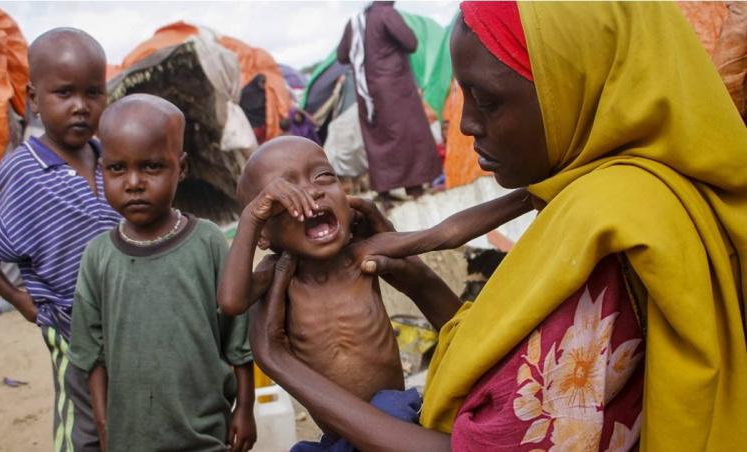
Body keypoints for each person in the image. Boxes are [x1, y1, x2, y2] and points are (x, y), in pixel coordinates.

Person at [249, 2, 747, 451]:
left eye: (487, 101)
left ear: (575, 85)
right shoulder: (625, 192)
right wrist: (420, 278)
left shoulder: (611, 226)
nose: (464, 125)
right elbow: (513, 362)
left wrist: (279, 361)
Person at [218, 135, 531, 448]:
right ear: (264, 235)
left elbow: (446, 233)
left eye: (324, 177)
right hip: (342, 435)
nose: (312, 192)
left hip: (397, 413)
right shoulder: (277, 278)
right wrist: (252, 216)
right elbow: (231, 301)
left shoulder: (362, 255)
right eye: (284, 197)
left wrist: (529, 196)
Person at [0, 28, 118, 452]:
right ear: (34, 99)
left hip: (130, 317)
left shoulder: (113, 159)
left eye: (93, 92)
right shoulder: (22, 171)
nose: (80, 106)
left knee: (127, 413)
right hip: (69, 324)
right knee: (84, 427)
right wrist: (14, 295)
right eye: (64, 93)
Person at [67, 94, 256, 452]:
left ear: (181, 168)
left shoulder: (208, 243)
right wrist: (104, 429)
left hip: (206, 434)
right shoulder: (98, 257)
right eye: (117, 169)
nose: (134, 182)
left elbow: (239, 338)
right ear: (101, 169)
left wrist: (245, 409)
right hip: (130, 438)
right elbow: (93, 356)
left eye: (152, 167)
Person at [337, 1, 442, 212]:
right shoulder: (386, 14)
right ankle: (415, 191)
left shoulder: (355, 22)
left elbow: (342, 56)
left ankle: (384, 196)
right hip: (396, 91)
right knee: (408, 138)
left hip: (367, 94)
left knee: (378, 143)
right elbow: (411, 43)